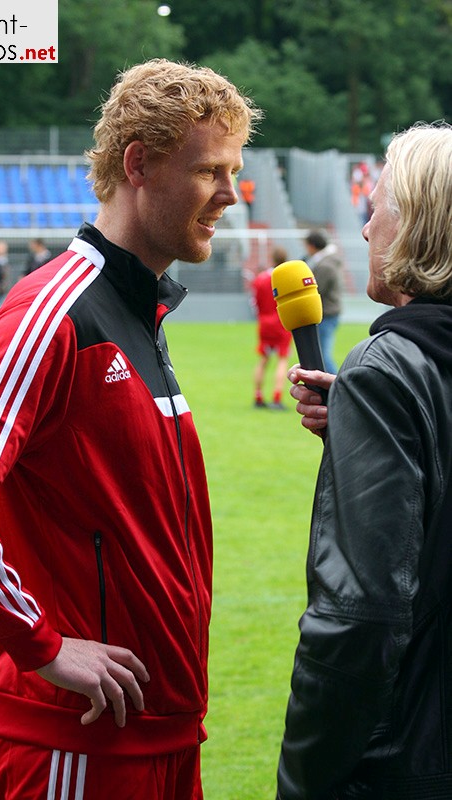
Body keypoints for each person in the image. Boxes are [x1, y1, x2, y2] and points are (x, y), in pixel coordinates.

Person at [0, 59, 261, 800]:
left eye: (234, 171)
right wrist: (41, 646)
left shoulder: (140, 308)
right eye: (210, 171)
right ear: (138, 164)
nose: (231, 196)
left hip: (161, 730)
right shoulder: (56, 309)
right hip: (77, 743)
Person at [278, 121, 452, 799]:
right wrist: (363, 435)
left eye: (373, 210)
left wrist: (302, 780)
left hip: (411, 760)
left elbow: (361, 618)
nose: (363, 231)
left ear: (414, 224)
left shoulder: (389, 367)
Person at [251, 245, 292, 409]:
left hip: (265, 323)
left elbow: (256, 302)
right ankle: (277, 397)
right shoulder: (287, 278)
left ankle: (258, 396)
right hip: (281, 322)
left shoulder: (260, 278)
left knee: (263, 359)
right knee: (282, 359)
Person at [303, 230, 343, 374]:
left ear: (312, 246)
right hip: (329, 312)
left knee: (322, 356)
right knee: (321, 355)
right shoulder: (328, 261)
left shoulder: (324, 265)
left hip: (326, 313)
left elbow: (317, 290)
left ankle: (338, 386)